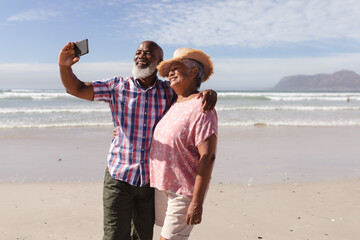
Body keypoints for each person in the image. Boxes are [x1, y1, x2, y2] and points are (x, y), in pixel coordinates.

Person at [58, 40, 217, 240]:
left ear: (159, 63)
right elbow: (77, 89)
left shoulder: (168, 91)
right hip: (119, 177)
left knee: (142, 237)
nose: (141, 55)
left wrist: (207, 93)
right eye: (138, 52)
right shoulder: (116, 86)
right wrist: (64, 67)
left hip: (150, 182)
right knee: (115, 235)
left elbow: (188, 96)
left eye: (149, 53)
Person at [149, 47, 218, 240]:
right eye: (169, 68)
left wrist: (196, 202)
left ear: (194, 72)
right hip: (163, 186)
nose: (170, 72)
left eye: (176, 67)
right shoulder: (173, 102)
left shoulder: (203, 106)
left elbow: (208, 156)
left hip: (184, 191)